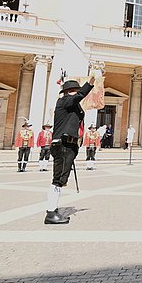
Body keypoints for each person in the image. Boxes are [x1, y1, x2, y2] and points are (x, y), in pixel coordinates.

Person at [45, 76, 94, 225]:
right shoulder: (64, 101)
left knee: (61, 178)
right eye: (75, 91)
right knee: (58, 179)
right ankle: (51, 213)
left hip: (68, 145)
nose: (77, 93)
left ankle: (52, 209)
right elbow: (77, 98)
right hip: (63, 145)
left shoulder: (69, 104)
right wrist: (89, 85)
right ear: (68, 92)